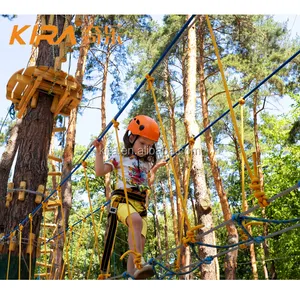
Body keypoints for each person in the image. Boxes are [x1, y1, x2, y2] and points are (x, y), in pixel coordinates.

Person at [93, 115, 166, 279]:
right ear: (132, 138)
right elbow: (99, 171)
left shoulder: (146, 163)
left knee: (139, 241)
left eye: (149, 146)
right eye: (142, 143)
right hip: (121, 201)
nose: (145, 148)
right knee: (136, 222)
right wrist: (99, 152)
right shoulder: (120, 158)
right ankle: (141, 263)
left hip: (140, 206)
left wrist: (154, 170)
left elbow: (148, 183)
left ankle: (133, 275)